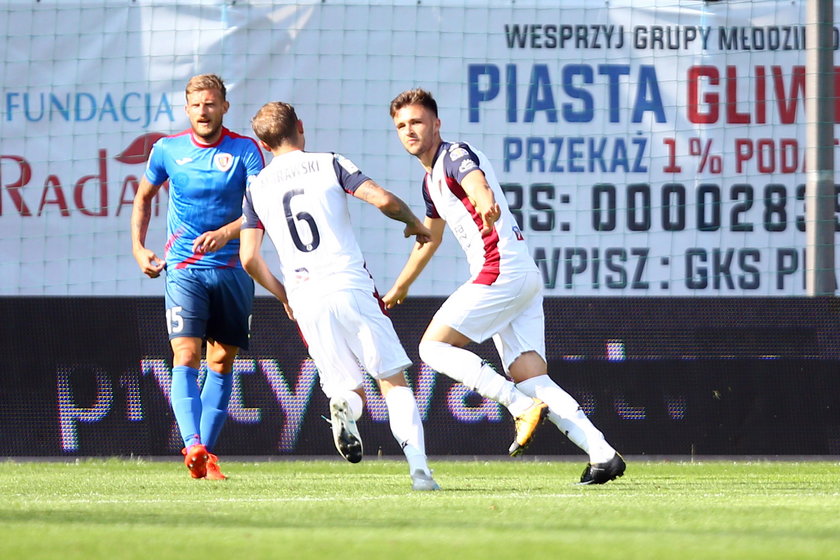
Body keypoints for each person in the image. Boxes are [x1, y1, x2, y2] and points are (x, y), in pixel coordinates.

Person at [385, 88, 625, 484]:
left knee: (432, 347)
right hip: (520, 276)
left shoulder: (455, 155)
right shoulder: (430, 183)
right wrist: (400, 287)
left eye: (417, 122)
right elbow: (429, 237)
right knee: (533, 378)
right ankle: (602, 454)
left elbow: (476, 182)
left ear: (436, 124)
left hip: (501, 271)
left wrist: (484, 199)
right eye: (401, 126)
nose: (410, 131)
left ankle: (518, 406)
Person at [239, 101, 440, 491]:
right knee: (392, 382)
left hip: (306, 297)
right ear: (300, 126)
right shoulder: (329, 162)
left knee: (349, 388)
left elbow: (248, 257)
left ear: (263, 144)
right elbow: (383, 200)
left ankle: (345, 407)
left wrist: (284, 296)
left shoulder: (255, 187)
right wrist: (415, 223)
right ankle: (419, 471)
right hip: (350, 284)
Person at [131, 74, 265, 480]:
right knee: (186, 355)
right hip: (185, 269)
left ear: (224, 107)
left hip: (233, 270)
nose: (204, 112)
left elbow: (262, 208)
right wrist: (139, 248)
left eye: (211, 104)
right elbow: (143, 198)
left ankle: (204, 461)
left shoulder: (246, 150)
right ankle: (193, 446)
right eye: (196, 105)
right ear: (187, 109)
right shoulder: (167, 150)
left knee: (221, 361)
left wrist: (227, 233)